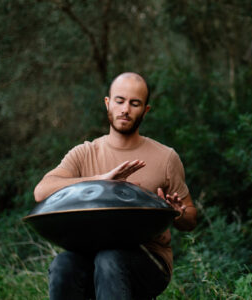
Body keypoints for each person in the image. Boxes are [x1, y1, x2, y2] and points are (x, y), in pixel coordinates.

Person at [34, 72, 197, 299]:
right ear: (108, 103)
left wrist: (177, 213)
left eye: (135, 103)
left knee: (109, 258)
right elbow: (41, 192)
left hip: (148, 259)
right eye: (119, 101)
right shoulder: (85, 153)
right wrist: (101, 179)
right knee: (63, 263)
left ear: (145, 110)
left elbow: (191, 217)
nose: (125, 109)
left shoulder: (166, 157)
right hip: (89, 253)